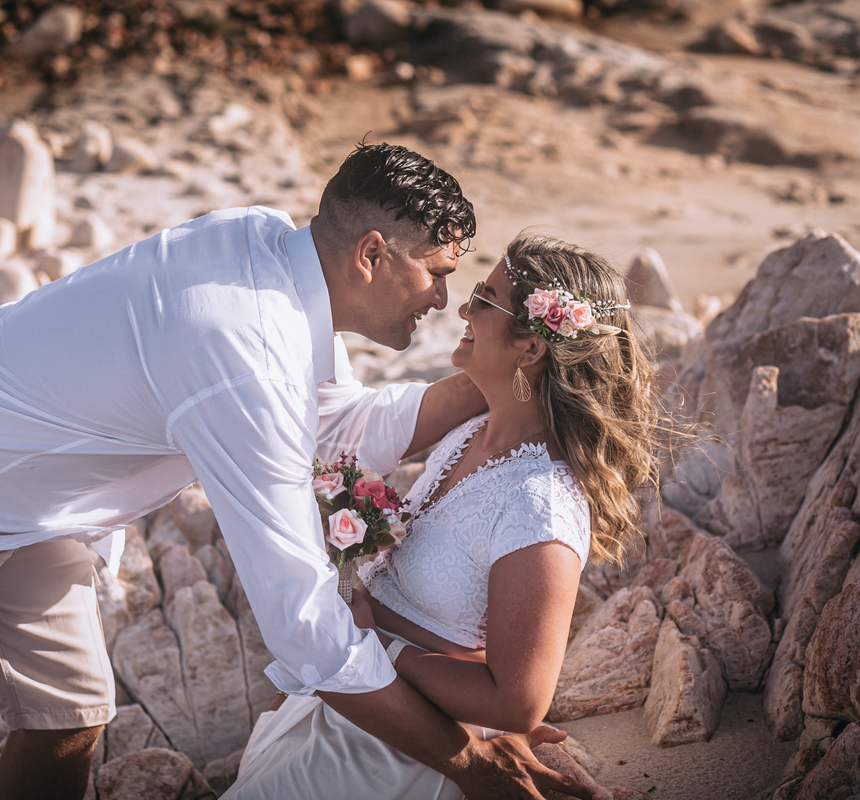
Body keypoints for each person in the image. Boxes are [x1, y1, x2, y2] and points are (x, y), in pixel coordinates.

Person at [0, 144, 598, 800]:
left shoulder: (267, 246)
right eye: (437, 272)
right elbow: (301, 623)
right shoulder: (240, 349)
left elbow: (332, 423)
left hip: (29, 508)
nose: (446, 300)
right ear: (372, 254)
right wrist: (466, 763)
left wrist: (517, 376)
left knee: (70, 716)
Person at [225, 234, 660, 799]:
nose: (462, 307)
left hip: (392, 753)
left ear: (530, 350)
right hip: (351, 701)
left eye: (485, 298)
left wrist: (373, 647)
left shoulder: (540, 502)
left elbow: (519, 701)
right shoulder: (468, 433)